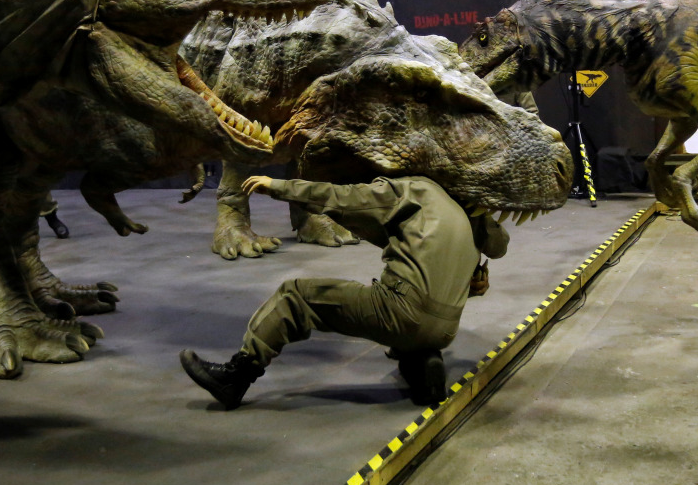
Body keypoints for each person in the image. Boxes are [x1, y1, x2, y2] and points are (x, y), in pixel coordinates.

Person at [180, 173, 509, 409]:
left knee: (295, 295)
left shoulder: (415, 189)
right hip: (445, 330)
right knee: (407, 314)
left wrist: (278, 186)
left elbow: (341, 197)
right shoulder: (465, 215)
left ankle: (236, 376)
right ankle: (425, 368)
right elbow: (500, 245)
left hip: (402, 311)